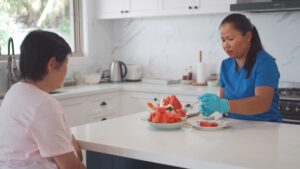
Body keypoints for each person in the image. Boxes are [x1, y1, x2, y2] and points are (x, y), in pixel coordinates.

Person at [0, 30, 86, 169]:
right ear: (52, 64)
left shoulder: (14, 92)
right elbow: (70, 166)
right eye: (66, 63)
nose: (66, 69)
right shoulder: (43, 104)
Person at [198, 13, 281, 122]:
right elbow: (224, 100)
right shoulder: (225, 65)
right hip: (233, 127)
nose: (225, 45)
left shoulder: (265, 63)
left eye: (230, 39)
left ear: (248, 36)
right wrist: (214, 106)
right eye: (223, 40)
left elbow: (262, 103)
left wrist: (223, 105)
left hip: (264, 128)